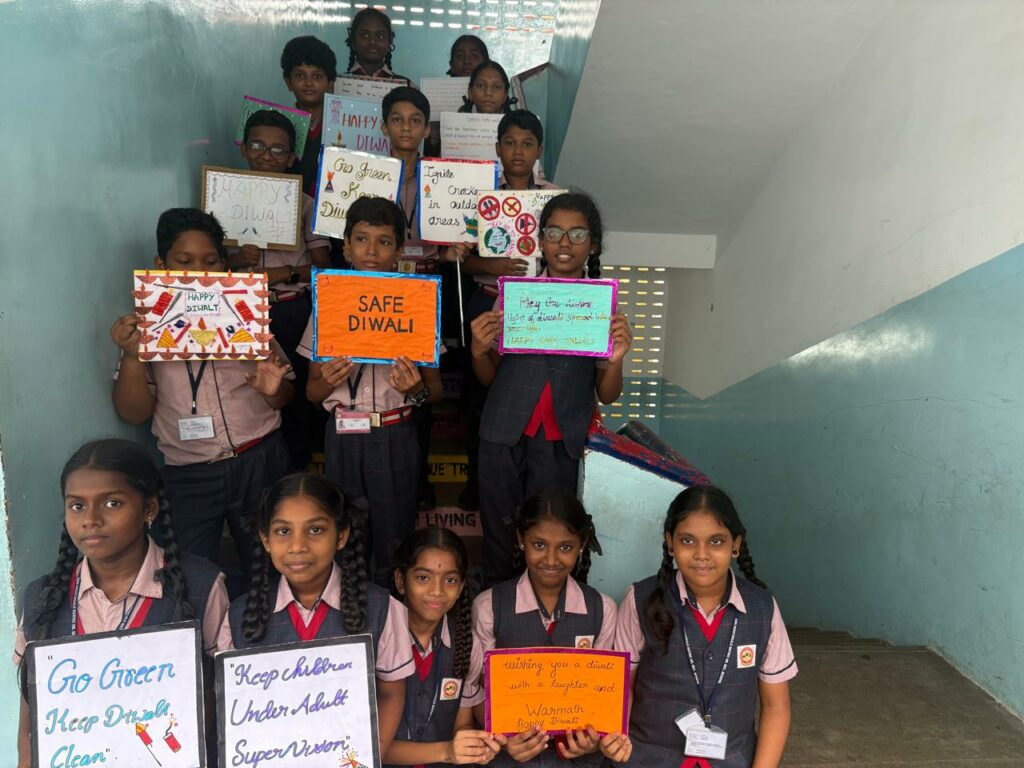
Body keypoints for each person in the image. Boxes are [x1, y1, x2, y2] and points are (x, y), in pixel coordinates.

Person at [16, 438, 229, 766]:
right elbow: (30, 724)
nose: (91, 519)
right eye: (77, 506)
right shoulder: (42, 601)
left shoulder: (201, 585)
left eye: (112, 503)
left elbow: (221, 703)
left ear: (149, 509)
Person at [109, 208, 293, 585]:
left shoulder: (246, 315)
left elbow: (285, 393)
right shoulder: (148, 327)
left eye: (210, 262)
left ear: (224, 266)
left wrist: (274, 392)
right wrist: (131, 356)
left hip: (259, 459)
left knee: (271, 573)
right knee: (189, 579)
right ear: (161, 266)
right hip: (189, 473)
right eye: (184, 261)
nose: (199, 272)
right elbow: (133, 413)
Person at [469, 193, 632, 584]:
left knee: (550, 539)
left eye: (578, 234)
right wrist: (477, 351)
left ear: (593, 245)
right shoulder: (515, 296)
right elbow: (490, 378)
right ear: (541, 240)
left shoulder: (601, 307)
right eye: (555, 232)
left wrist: (616, 359)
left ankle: (544, 617)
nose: (565, 242)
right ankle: (498, 612)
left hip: (562, 442)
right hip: (502, 435)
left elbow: (608, 395)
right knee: (499, 537)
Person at [300, 196, 443, 587]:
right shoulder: (328, 305)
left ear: (399, 250)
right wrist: (328, 379)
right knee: (344, 532)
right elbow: (312, 393)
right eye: (361, 239)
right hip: (343, 434)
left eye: (384, 242)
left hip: (395, 432)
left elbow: (434, 391)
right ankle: (350, 605)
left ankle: (391, 608)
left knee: (395, 536)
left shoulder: (417, 304)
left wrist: (415, 391)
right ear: (345, 246)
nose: (372, 251)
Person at [219, 472, 413, 758]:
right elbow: (234, 709)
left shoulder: (382, 608)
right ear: (265, 539)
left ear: (341, 536)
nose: (298, 546)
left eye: (315, 530)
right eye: (283, 531)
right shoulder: (237, 616)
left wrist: (370, 757)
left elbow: (391, 693)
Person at [616, 486, 797, 768]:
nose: (702, 554)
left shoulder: (762, 608)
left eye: (716, 541)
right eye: (688, 540)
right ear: (670, 542)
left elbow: (776, 706)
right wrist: (615, 738)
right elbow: (620, 688)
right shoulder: (639, 600)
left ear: (735, 545)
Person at [466, 488, 628, 766]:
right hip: (510, 757)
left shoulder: (603, 609)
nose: (551, 559)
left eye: (565, 547)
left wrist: (592, 742)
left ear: (582, 545)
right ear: (521, 540)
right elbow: (476, 688)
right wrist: (502, 739)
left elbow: (602, 696)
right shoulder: (489, 606)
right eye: (539, 545)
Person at [456, 110, 558, 512]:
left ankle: (524, 475)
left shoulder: (553, 199)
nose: (518, 151)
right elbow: (463, 261)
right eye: (510, 143)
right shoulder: (481, 200)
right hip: (487, 300)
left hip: (536, 306)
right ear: (497, 148)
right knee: (480, 392)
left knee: (524, 390)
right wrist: (493, 265)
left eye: (527, 144)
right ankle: (477, 479)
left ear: (539, 150)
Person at [231, 108, 331, 471]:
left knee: (297, 390)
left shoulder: (305, 204)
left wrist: (281, 273)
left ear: (291, 157)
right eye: (258, 145)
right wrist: (235, 258)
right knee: (255, 386)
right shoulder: (223, 199)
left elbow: (323, 268)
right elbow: (205, 264)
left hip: (291, 308)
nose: (266, 155)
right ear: (244, 148)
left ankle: (299, 467)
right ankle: (269, 466)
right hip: (240, 310)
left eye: (278, 150)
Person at [384, 527, 502, 768]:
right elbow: (363, 747)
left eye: (450, 580)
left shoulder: (466, 643)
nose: (437, 591)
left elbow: (462, 723)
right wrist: (446, 751)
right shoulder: (379, 637)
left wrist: (473, 747)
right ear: (400, 580)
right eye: (423, 578)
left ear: (461, 587)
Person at [280, 35, 338, 196]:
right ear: (288, 82)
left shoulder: (343, 128)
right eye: (300, 75)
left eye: (317, 76)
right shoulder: (279, 127)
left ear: (330, 84)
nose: (309, 83)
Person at [345, 8, 410, 82]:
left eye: (380, 36)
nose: (372, 41)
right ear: (353, 40)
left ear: (389, 42)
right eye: (365, 35)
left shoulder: (408, 86)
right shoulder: (337, 85)